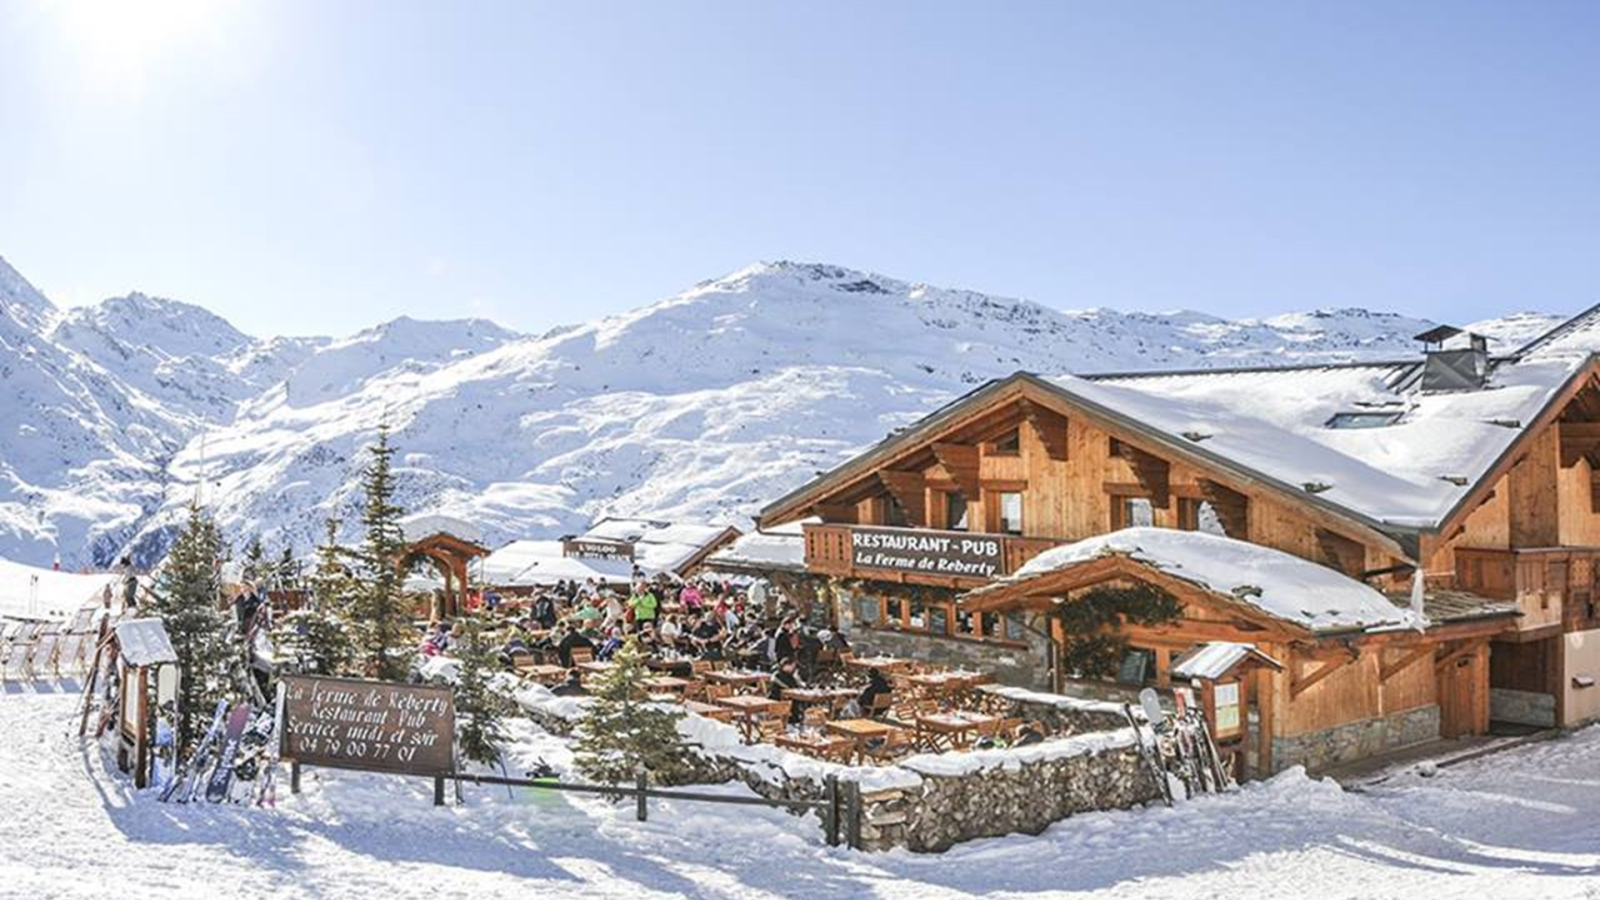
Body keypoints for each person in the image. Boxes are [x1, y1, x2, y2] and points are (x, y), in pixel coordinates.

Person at [768, 658, 805, 723]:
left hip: (788, 697)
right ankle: (794, 718)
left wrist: (799, 681)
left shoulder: (790, 675)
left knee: (799, 700)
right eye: (792, 666)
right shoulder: (778, 675)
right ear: (786, 666)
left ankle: (797, 717)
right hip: (778, 699)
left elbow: (797, 685)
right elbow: (787, 687)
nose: (793, 668)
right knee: (795, 701)